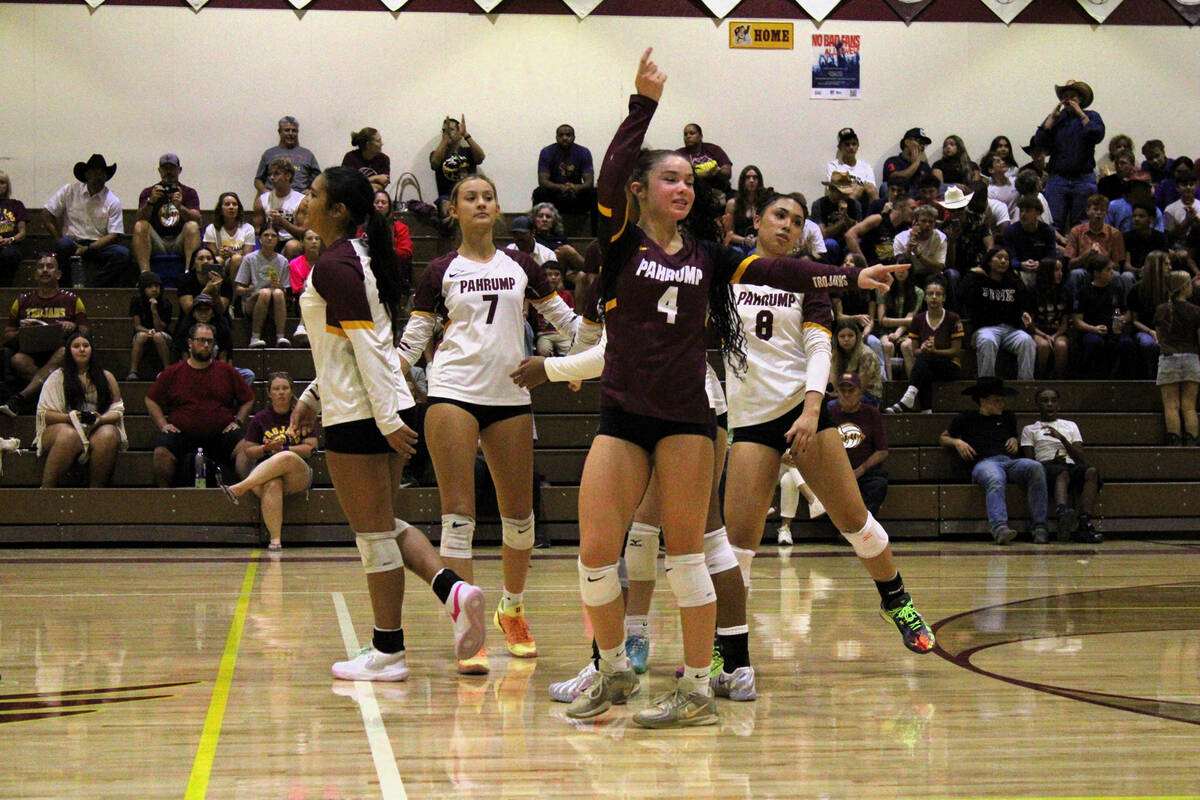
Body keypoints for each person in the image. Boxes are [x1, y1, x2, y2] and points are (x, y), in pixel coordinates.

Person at [555, 50, 903, 729]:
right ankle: (613, 668)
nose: (682, 188)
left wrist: (850, 279)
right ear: (641, 189)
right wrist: (642, 106)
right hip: (623, 415)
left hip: (687, 421)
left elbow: (785, 271)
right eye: (670, 179)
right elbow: (610, 172)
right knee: (595, 552)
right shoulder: (622, 243)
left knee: (688, 554)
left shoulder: (711, 258)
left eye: (689, 180)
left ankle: (693, 688)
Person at [289, 165, 488, 681]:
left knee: (373, 535)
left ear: (336, 211)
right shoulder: (350, 258)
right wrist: (313, 393)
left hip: (361, 414)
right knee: (384, 526)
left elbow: (367, 347)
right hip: (371, 405)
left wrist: (382, 418)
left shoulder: (335, 264)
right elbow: (355, 344)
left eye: (313, 194)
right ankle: (453, 593)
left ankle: (389, 652)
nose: (305, 200)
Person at [397, 172, 577, 676]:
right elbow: (413, 343)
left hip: (511, 394)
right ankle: (468, 626)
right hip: (452, 390)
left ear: (498, 209)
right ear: (453, 210)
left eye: (488, 196)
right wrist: (383, 377)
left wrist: (593, 352)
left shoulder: (522, 264)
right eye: (470, 197)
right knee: (459, 515)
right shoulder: (439, 270)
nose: (480, 203)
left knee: (520, 516)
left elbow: (563, 321)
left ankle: (511, 609)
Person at [940, 377, 1049, 545]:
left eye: (1002, 400)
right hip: (984, 463)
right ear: (983, 401)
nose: (1002, 404)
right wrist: (957, 442)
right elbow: (943, 438)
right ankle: (999, 528)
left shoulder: (1008, 417)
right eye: (997, 400)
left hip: (1009, 461)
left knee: (1036, 467)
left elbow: (1012, 436)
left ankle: (1040, 526)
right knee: (995, 477)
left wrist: (1014, 438)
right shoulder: (965, 418)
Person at [145, 321, 254, 486]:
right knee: (161, 451)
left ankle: (247, 490)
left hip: (221, 436)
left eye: (209, 341)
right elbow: (150, 399)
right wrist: (163, 425)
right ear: (190, 343)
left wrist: (238, 421)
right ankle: (164, 497)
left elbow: (248, 398)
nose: (205, 345)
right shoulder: (173, 372)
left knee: (246, 447)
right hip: (182, 436)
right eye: (201, 340)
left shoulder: (226, 371)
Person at [222, 372, 318, 551]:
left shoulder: (301, 415)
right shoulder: (260, 419)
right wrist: (266, 448)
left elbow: (310, 448)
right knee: (273, 483)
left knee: (286, 457)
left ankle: (241, 487)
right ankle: (275, 540)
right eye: (276, 389)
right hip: (264, 474)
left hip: (297, 474)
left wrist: (283, 449)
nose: (281, 392)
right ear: (269, 394)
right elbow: (249, 452)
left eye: (285, 388)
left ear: (292, 392)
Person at [33, 331, 126, 488]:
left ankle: (95, 491)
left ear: (91, 350)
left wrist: (100, 419)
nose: (81, 349)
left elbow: (117, 410)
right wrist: (71, 418)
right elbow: (44, 414)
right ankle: (46, 488)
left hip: (97, 426)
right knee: (69, 435)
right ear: (69, 351)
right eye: (76, 346)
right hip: (64, 425)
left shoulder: (106, 377)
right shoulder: (57, 377)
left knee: (108, 434)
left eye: (85, 346)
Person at [1, 254, 89, 417]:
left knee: (64, 351)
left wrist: (73, 326)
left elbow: (86, 331)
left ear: (59, 274)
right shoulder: (22, 300)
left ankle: (20, 398)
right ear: (35, 274)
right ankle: (56, 397)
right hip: (31, 352)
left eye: (50, 267)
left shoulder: (72, 299)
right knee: (16, 359)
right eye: (41, 267)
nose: (45, 270)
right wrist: (22, 331)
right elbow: (6, 336)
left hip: (60, 354)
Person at [1020, 388, 1103, 543]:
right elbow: (1029, 462)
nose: (1049, 404)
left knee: (1091, 471)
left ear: (1058, 404)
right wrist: (1052, 461)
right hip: (1046, 467)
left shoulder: (1070, 426)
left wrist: (1062, 439)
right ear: (1037, 404)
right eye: (1045, 401)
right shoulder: (1029, 429)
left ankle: (1085, 522)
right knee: (1061, 473)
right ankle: (1062, 513)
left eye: (1053, 401)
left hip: (1070, 464)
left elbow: (1080, 458)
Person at [44, 154, 130, 287]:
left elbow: (114, 234)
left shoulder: (113, 200)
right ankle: (65, 288)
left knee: (122, 254)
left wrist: (88, 248)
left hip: (99, 246)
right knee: (63, 245)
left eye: (102, 172)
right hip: (72, 243)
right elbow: (47, 213)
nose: (98, 175)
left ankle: (94, 287)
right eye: (94, 171)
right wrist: (58, 238)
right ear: (86, 174)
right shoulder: (69, 190)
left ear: (106, 176)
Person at [1031, 79, 1105, 231]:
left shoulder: (1092, 116)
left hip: (1083, 178)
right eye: (1066, 96)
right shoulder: (1057, 118)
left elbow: (1096, 134)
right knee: (1054, 222)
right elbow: (1039, 141)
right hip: (1058, 178)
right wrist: (1052, 118)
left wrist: (1080, 113)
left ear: (1081, 99)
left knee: (1083, 223)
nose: (1069, 100)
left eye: (1073, 96)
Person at [886, 278, 963, 414]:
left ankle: (908, 399)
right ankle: (926, 411)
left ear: (944, 298)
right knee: (923, 367)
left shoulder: (953, 318)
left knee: (924, 360)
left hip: (950, 366)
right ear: (925, 298)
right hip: (928, 365)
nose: (934, 297)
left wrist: (934, 351)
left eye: (938, 294)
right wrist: (922, 349)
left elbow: (956, 351)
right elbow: (915, 351)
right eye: (930, 294)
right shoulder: (918, 320)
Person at [959, 247, 1035, 381]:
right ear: (988, 261)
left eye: (1006, 258)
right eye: (999, 257)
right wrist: (971, 274)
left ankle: (1025, 385)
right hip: (985, 329)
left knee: (1027, 341)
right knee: (988, 341)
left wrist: (1024, 313)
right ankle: (987, 386)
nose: (1003, 261)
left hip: (1011, 330)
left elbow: (1023, 303)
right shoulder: (978, 280)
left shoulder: (1013, 281)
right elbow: (960, 295)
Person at [826, 373, 889, 516]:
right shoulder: (829, 414)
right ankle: (847, 528)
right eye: (842, 391)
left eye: (851, 391)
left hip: (865, 471)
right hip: (838, 471)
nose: (846, 395)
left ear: (860, 393)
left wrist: (860, 470)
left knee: (878, 484)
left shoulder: (872, 414)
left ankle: (863, 528)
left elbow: (882, 451)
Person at [131, 154, 202, 275]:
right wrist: (151, 202)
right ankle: (146, 275)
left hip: (180, 240)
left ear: (179, 170)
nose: (168, 172)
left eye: (172, 168)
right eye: (165, 168)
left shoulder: (189, 192)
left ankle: (189, 273)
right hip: (157, 240)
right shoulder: (149, 192)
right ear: (159, 171)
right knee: (140, 226)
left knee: (192, 226)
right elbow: (139, 219)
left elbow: (197, 220)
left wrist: (180, 207)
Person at [1072, 253, 1137, 379]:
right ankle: (1092, 381)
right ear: (1097, 273)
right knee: (1094, 343)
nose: (1112, 273)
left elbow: (1124, 311)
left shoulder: (1116, 288)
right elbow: (1077, 321)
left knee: (1127, 344)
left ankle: (1124, 382)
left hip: (1114, 330)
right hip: (1092, 331)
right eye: (1108, 270)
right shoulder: (1085, 292)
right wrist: (1093, 329)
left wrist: (1123, 319)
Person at [1154, 270, 1200, 446]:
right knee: (1189, 406)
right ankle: (1192, 443)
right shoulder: (1196, 311)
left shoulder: (1161, 310)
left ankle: (1174, 444)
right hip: (1191, 358)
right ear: (1185, 287)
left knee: (1171, 405)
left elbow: (1159, 337)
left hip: (1168, 358)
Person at [235, 226, 291, 348]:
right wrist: (249, 289)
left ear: (278, 239)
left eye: (273, 236)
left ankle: (281, 337)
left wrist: (279, 286)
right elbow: (238, 289)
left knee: (278, 293)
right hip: (253, 301)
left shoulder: (283, 261)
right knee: (265, 293)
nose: (270, 238)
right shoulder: (249, 259)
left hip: (274, 304)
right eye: (266, 235)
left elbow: (286, 291)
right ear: (259, 239)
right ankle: (255, 337)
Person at [430, 115, 485, 233]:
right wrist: (445, 140)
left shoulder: (468, 152)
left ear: (459, 132)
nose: (447, 133)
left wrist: (466, 135)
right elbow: (434, 163)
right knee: (446, 207)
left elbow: (480, 157)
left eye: (451, 130)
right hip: (447, 196)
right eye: (444, 130)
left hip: (469, 194)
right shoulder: (437, 153)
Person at [1065, 192, 1126, 294]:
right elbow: (1070, 264)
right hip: (1084, 270)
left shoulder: (1115, 234)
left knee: (1116, 275)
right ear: (1088, 211)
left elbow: (1118, 266)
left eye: (1102, 210)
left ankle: (1116, 307)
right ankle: (1075, 307)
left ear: (1106, 213)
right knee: (1076, 274)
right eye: (1095, 209)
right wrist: (1087, 254)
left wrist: (1102, 260)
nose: (1098, 213)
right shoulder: (1076, 231)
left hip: (1105, 271)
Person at [532, 123, 596, 218]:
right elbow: (543, 181)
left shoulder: (584, 152)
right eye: (561, 135)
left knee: (594, 193)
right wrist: (561, 188)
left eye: (568, 135)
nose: (565, 138)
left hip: (575, 197)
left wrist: (575, 188)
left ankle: (595, 232)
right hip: (555, 198)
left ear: (574, 137)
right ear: (556, 137)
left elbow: (589, 182)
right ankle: (537, 230)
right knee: (539, 192)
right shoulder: (547, 152)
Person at [875, 264, 923, 380]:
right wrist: (906, 321)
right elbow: (882, 320)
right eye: (898, 269)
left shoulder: (918, 292)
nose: (901, 272)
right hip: (886, 331)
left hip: (907, 331)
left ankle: (912, 386)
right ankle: (890, 385)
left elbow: (911, 319)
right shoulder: (884, 289)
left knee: (906, 345)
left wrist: (897, 333)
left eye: (904, 270)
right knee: (888, 346)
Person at [1127, 251, 1171, 379]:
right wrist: (1151, 331)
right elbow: (1134, 321)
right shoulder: (1136, 290)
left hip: (1165, 330)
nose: (1170, 267)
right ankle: (1148, 380)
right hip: (1144, 330)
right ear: (1157, 266)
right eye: (1166, 264)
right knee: (1149, 345)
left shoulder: (1170, 289)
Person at [253, 159, 306, 260]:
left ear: (288, 176)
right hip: (269, 240)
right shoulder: (262, 200)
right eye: (270, 174)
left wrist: (282, 222)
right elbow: (257, 231)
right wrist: (270, 227)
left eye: (276, 174)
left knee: (292, 246)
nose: (272, 178)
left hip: (290, 240)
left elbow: (302, 233)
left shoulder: (301, 201)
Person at [254, 116, 320, 194]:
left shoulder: (308, 155)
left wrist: (310, 192)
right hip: (274, 199)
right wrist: (265, 193)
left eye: (294, 131)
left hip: (300, 199)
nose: (291, 133)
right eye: (287, 130)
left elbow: (319, 179)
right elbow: (258, 180)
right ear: (279, 132)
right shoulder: (269, 154)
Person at [1030, 257, 1072, 379]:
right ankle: (1038, 380)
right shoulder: (1033, 292)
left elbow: (1064, 323)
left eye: (1061, 270)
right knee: (1043, 346)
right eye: (1056, 270)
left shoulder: (1065, 292)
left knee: (1061, 346)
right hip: (1038, 330)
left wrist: (1054, 336)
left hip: (1058, 331)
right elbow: (1030, 323)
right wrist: (1044, 335)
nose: (1060, 274)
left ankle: (1058, 382)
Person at [127, 270, 173, 381]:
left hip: (163, 334)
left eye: (157, 286)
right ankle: (133, 371)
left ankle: (167, 370)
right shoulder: (136, 302)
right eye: (150, 287)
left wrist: (154, 311)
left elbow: (161, 328)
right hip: (143, 331)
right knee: (141, 336)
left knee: (158, 336)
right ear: (143, 289)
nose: (154, 289)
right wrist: (148, 331)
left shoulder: (166, 303)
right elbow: (137, 326)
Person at [846, 193, 915, 266]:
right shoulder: (878, 219)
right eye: (912, 208)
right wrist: (862, 263)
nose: (914, 212)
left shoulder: (905, 229)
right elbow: (849, 235)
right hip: (871, 266)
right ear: (901, 207)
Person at [203, 192, 256, 282]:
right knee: (217, 260)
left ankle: (235, 294)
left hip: (240, 264)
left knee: (236, 259)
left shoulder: (248, 228)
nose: (231, 207)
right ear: (220, 209)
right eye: (227, 204)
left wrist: (232, 254)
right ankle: (215, 292)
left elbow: (247, 257)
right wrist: (222, 255)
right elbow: (211, 256)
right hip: (221, 262)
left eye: (234, 204)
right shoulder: (212, 228)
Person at [811, 172, 862, 263]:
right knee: (830, 244)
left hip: (847, 240)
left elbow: (858, 231)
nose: (844, 196)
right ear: (831, 189)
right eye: (840, 192)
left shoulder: (854, 204)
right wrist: (842, 221)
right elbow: (823, 234)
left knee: (857, 242)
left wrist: (845, 216)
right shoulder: (819, 205)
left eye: (846, 193)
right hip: (830, 241)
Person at [831, 318, 883, 405]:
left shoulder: (866, 354)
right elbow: (834, 381)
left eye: (850, 336)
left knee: (832, 405)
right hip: (845, 393)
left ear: (857, 337)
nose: (846, 339)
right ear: (837, 338)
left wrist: (840, 395)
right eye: (842, 336)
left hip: (869, 395)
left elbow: (862, 386)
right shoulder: (836, 354)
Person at [676, 122, 732, 198]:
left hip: (718, 191)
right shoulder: (678, 155)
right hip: (693, 194)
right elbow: (677, 177)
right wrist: (704, 175)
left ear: (701, 136)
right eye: (685, 134)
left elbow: (728, 172)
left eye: (692, 133)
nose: (688, 136)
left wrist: (718, 172)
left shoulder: (714, 149)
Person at [826, 127, 877, 206]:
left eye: (854, 144)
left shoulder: (866, 167)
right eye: (847, 144)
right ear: (839, 147)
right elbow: (832, 189)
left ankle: (877, 216)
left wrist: (858, 187)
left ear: (858, 146)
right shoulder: (834, 166)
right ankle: (842, 215)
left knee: (870, 189)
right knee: (857, 191)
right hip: (841, 201)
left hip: (864, 202)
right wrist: (854, 189)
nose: (851, 147)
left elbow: (872, 187)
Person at [725, 165, 769, 253]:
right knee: (736, 254)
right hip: (737, 244)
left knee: (754, 255)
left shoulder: (766, 204)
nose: (751, 181)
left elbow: (768, 231)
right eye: (748, 178)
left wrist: (756, 240)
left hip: (758, 244)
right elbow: (728, 233)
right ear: (743, 181)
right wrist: (744, 240)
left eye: (755, 178)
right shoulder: (732, 204)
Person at [0, 170, 30, 285]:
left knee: (9, 255)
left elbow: (22, 233)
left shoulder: (17, 205)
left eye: (2, 182)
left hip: (11, 245)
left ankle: (5, 289)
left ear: (7, 186)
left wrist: (10, 240)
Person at [341, 127, 390, 193]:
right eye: (378, 141)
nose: (382, 144)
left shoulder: (384, 159)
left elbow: (381, 186)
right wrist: (375, 178)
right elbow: (346, 184)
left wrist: (358, 184)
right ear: (368, 145)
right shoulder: (350, 158)